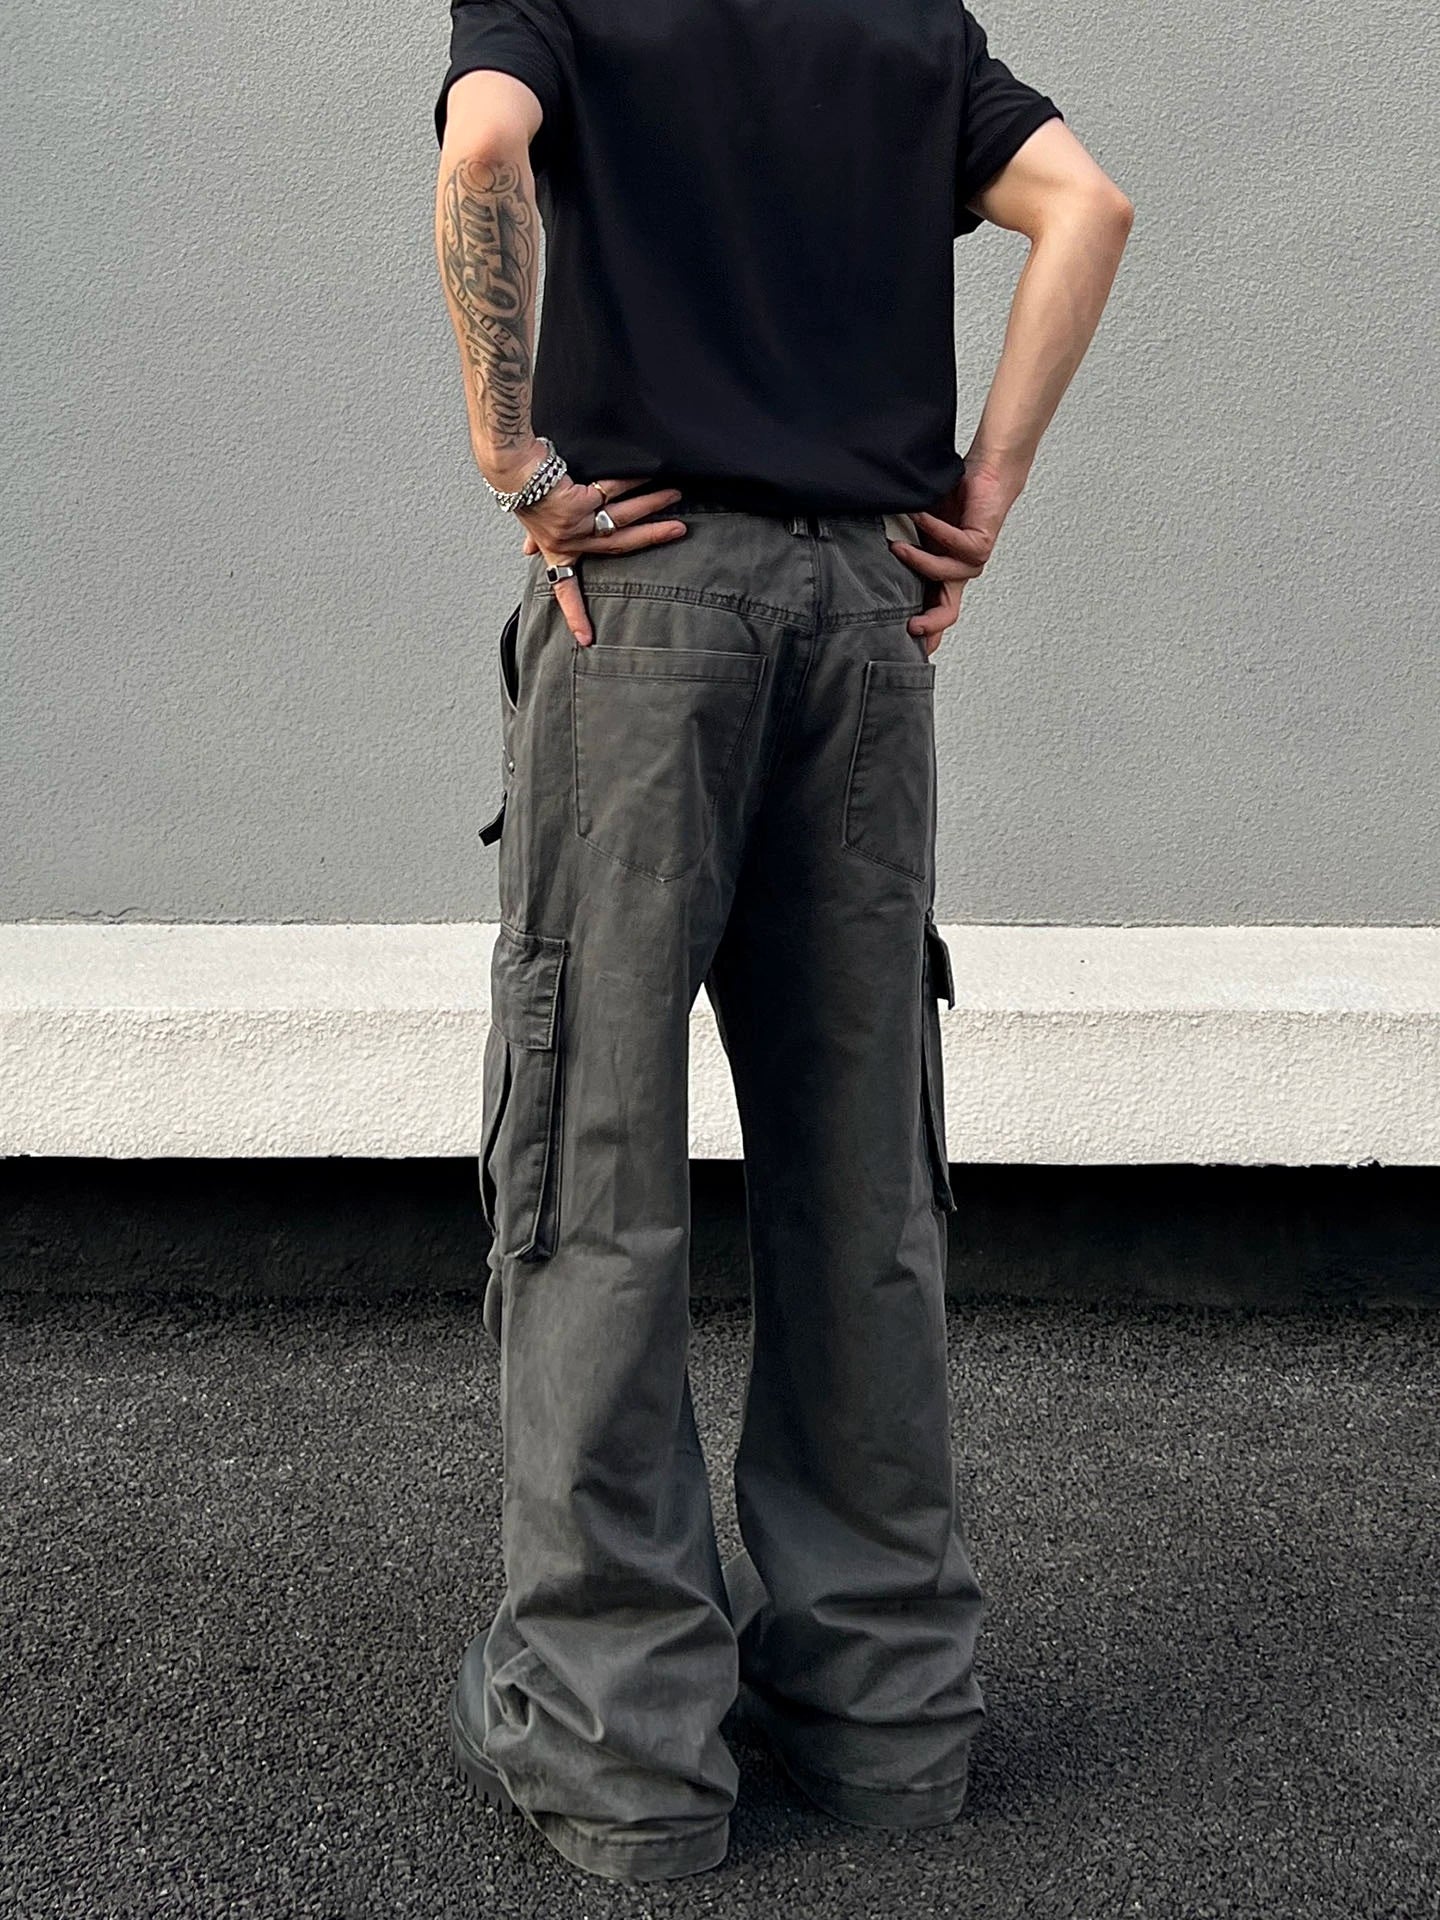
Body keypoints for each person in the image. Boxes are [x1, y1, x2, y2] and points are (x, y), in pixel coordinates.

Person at [432, 0, 1132, 1884]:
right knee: (861, 1173)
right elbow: (1089, 207)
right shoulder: (905, 14)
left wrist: (515, 462)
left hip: (642, 605)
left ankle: (625, 1749)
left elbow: (486, 148)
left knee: (594, 1157)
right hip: (864, 616)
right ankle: (886, 1713)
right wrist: (985, 491)